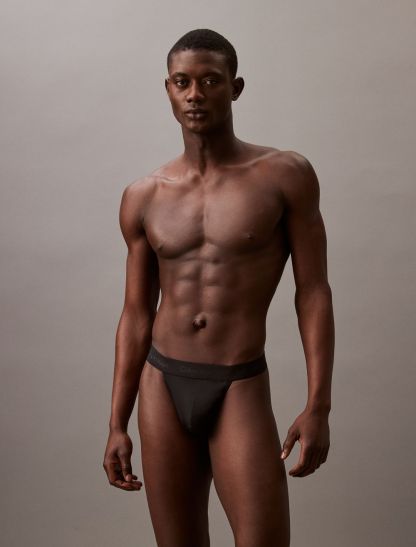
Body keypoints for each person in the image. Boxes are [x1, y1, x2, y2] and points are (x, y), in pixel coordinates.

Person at [103, 28, 335, 547]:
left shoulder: (285, 176)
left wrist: (318, 404)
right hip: (162, 383)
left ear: (236, 87)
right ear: (168, 89)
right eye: (182, 82)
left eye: (210, 81)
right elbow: (136, 313)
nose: (195, 95)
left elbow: (313, 291)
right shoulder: (143, 195)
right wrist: (116, 422)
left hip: (238, 382)